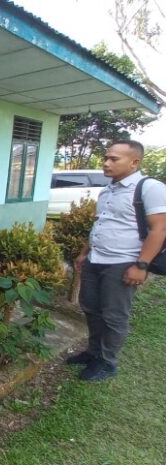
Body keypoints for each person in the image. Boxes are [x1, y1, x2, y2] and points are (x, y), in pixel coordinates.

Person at [68, 140, 166, 381]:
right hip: (96, 259)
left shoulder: (149, 188)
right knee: (91, 308)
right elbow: (100, 224)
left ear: (135, 162)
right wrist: (84, 253)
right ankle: (93, 353)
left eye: (114, 159)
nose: (106, 163)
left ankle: (107, 361)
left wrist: (141, 265)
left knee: (114, 315)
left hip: (124, 262)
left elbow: (160, 229)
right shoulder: (108, 191)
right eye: (106, 158)